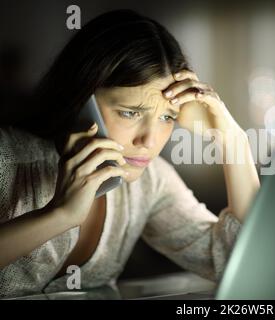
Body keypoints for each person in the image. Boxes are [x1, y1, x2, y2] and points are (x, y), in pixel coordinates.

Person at [0, 9, 260, 298]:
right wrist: (59, 216)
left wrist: (235, 141)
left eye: (167, 118)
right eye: (130, 113)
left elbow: (249, 267)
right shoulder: (7, 159)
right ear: (81, 100)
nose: (149, 140)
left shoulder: (152, 181)